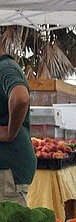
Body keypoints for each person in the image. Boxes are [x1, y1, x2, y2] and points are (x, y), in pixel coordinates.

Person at [0, 47, 36, 206]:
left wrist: (9, 132)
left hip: (7, 173)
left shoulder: (5, 68)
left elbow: (20, 97)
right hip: (5, 173)